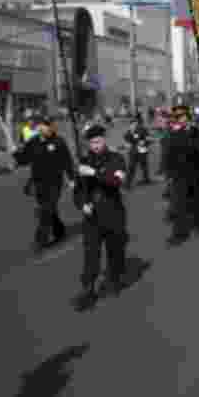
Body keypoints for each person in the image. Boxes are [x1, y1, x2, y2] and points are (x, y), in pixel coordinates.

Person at [74, 124, 128, 303]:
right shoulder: (84, 161)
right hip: (92, 217)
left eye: (98, 141)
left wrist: (95, 173)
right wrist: (82, 204)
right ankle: (87, 287)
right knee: (91, 254)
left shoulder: (116, 159)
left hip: (113, 212)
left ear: (104, 140)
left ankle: (116, 278)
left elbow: (116, 182)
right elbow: (78, 190)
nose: (95, 146)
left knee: (115, 250)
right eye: (92, 143)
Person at [11, 116, 75, 251]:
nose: (44, 127)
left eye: (47, 125)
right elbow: (24, 160)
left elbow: (67, 161)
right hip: (38, 182)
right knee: (49, 210)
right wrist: (15, 153)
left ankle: (40, 241)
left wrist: (71, 178)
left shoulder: (59, 142)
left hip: (55, 183)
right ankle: (59, 230)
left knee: (45, 211)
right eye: (42, 125)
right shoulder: (32, 142)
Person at [163, 105, 199, 245]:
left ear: (188, 118)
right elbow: (169, 153)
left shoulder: (197, 132)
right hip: (179, 174)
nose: (181, 120)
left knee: (197, 201)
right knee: (178, 204)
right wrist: (168, 172)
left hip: (195, 172)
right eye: (178, 117)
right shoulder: (173, 133)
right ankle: (179, 233)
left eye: (183, 117)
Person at [124, 114, 153, 187]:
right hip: (134, 152)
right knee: (131, 167)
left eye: (135, 123)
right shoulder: (129, 132)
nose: (133, 125)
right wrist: (130, 133)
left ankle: (146, 179)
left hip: (142, 151)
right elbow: (127, 139)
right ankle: (127, 183)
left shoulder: (143, 129)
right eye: (132, 124)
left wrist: (144, 142)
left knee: (144, 166)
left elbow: (149, 138)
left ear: (137, 123)